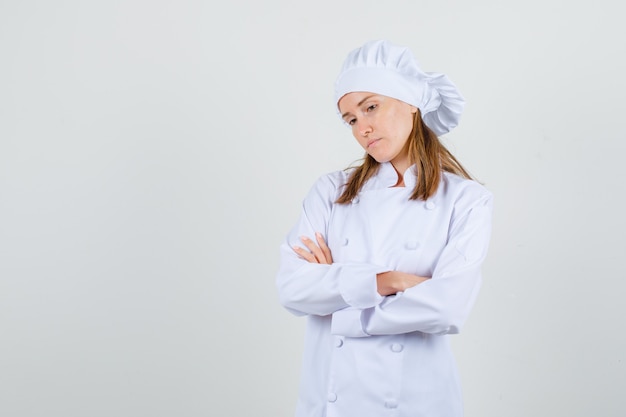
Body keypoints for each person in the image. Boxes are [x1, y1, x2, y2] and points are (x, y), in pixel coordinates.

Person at [276, 39, 493, 417]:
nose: (363, 127)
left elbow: (446, 309)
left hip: (417, 402)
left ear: (412, 103)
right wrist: (390, 281)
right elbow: (292, 288)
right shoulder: (331, 192)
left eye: (371, 107)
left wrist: (338, 298)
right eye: (351, 119)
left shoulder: (466, 199)